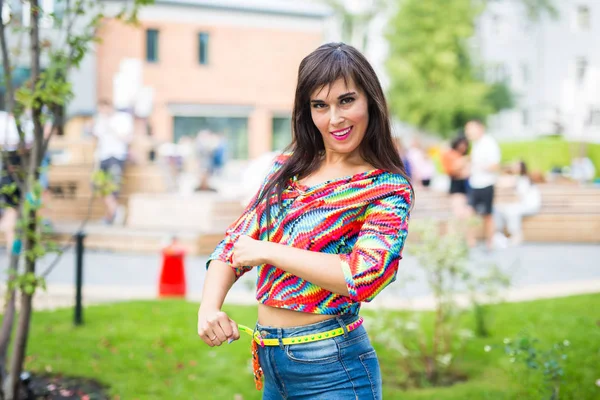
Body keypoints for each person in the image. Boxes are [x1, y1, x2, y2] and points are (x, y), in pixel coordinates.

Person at [197, 43, 413, 399]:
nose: (335, 119)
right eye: (320, 105)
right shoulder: (287, 168)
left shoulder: (385, 187)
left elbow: (366, 275)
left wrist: (268, 251)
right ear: (306, 111)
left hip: (334, 370)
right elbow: (235, 244)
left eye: (346, 101)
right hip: (273, 365)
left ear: (370, 102)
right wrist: (209, 307)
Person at [92, 100, 133, 224]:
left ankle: (111, 215)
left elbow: (127, 138)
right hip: (102, 156)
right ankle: (114, 211)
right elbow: (96, 137)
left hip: (116, 156)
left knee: (113, 187)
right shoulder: (100, 120)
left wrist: (111, 126)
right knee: (98, 185)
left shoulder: (123, 118)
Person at [464, 119, 501, 250]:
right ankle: (471, 241)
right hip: (474, 184)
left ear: (480, 128)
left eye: (470, 128)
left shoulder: (489, 143)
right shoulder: (475, 145)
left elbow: (495, 165)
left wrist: (478, 166)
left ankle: (490, 242)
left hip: (486, 184)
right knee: (469, 213)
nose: (467, 132)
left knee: (488, 215)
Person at [494, 161, 541, 246]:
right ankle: (499, 233)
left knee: (511, 211)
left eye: (516, 166)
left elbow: (520, 198)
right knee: (500, 208)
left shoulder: (524, 180)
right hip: (525, 205)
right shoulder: (519, 179)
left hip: (530, 206)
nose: (514, 167)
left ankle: (516, 235)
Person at [441, 135, 470, 218]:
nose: (462, 147)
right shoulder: (451, 155)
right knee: (458, 209)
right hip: (456, 184)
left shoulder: (462, 156)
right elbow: (450, 169)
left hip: (466, 184)